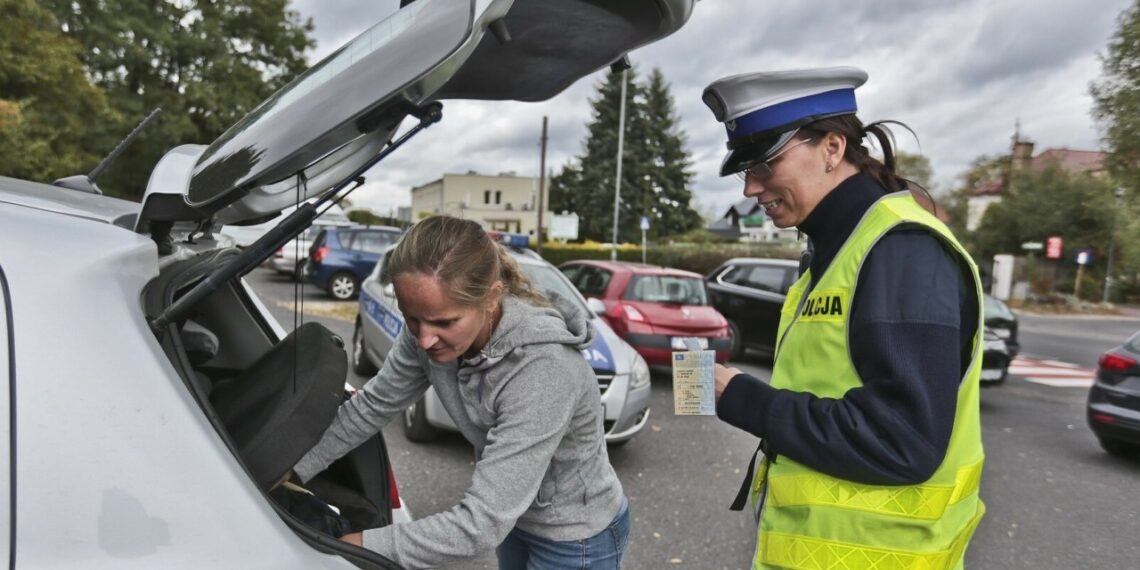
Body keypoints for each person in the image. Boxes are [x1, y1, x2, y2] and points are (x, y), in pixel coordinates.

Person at [701, 67, 986, 569]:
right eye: (745, 170)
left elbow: (904, 440)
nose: (750, 188)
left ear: (833, 148)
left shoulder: (901, 250)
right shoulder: (835, 249)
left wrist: (739, 397)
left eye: (765, 163)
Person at [292, 216, 630, 569]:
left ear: (491, 298)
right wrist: (292, 469)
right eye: (412, 318)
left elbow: (480, 526)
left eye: (445, 322)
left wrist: (357, 544)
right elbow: (372, 406)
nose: (424, 339)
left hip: (576, 536)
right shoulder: (428, 329)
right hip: (514, 518)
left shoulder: (543, 369)